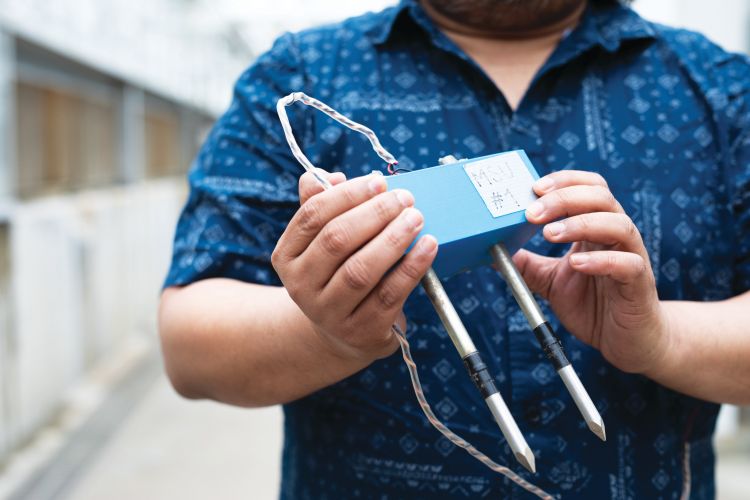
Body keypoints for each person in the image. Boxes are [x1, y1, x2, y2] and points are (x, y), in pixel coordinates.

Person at [158, 0, 750, 497]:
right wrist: (326, 332)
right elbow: (191, 346)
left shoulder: (722, 89)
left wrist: (660, 338)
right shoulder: (300, 76)